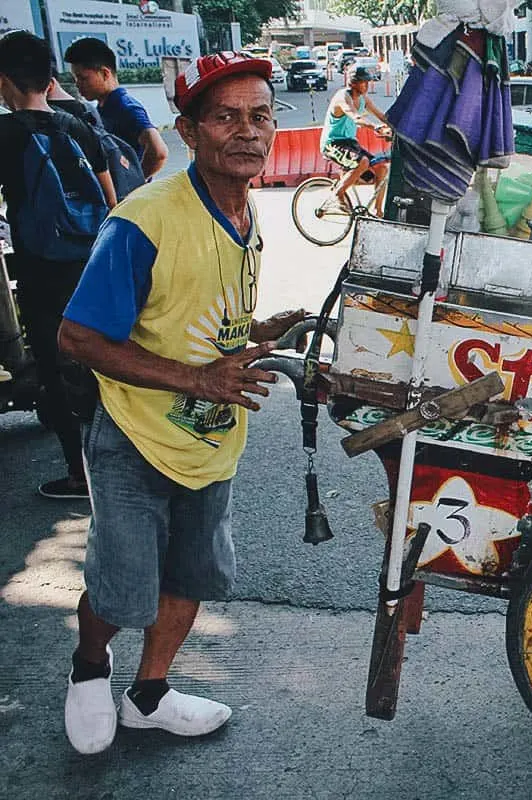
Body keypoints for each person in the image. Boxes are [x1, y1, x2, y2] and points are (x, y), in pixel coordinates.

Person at [57, 51, 305, 755]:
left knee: (191, 575)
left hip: (212, 442)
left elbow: (191, 312)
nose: (248, 132)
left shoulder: (245, 208)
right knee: (120, 589)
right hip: (135, 439)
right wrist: (200, 381)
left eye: (260, 115)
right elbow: (76, 335)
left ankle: (150, 695)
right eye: (225, 117)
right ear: (189, 131)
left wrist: (257, 332)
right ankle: (88, 668)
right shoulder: (143, 219)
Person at [0, 31, 117, 499]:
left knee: (55, 368)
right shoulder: (77, 125)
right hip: (90, 268)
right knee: (101, 365)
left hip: (40, 274)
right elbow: (111, 201)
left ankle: (79, 475)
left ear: (4, 80)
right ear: (50, 79)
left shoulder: (5, 135)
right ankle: (119, 462)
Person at [63, 37, 169, 179]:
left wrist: (134, 183)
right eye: (75, 79)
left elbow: (159, 152)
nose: (77, 84)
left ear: (105, 73)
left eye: (83, 78)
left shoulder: (126, 107)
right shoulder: (102, 107)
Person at [320, 66, 391, 216]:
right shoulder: (342, 97)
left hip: (350, 143)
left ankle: (377, 211)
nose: (366, 85)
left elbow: (381, 116)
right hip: (333, 144)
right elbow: (355, 117)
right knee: (363, 162)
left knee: (381, 167)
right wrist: (375, 127)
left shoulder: (363, 99)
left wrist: (396, 127)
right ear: (353, 83)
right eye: (363, 82)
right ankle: (338, 194)